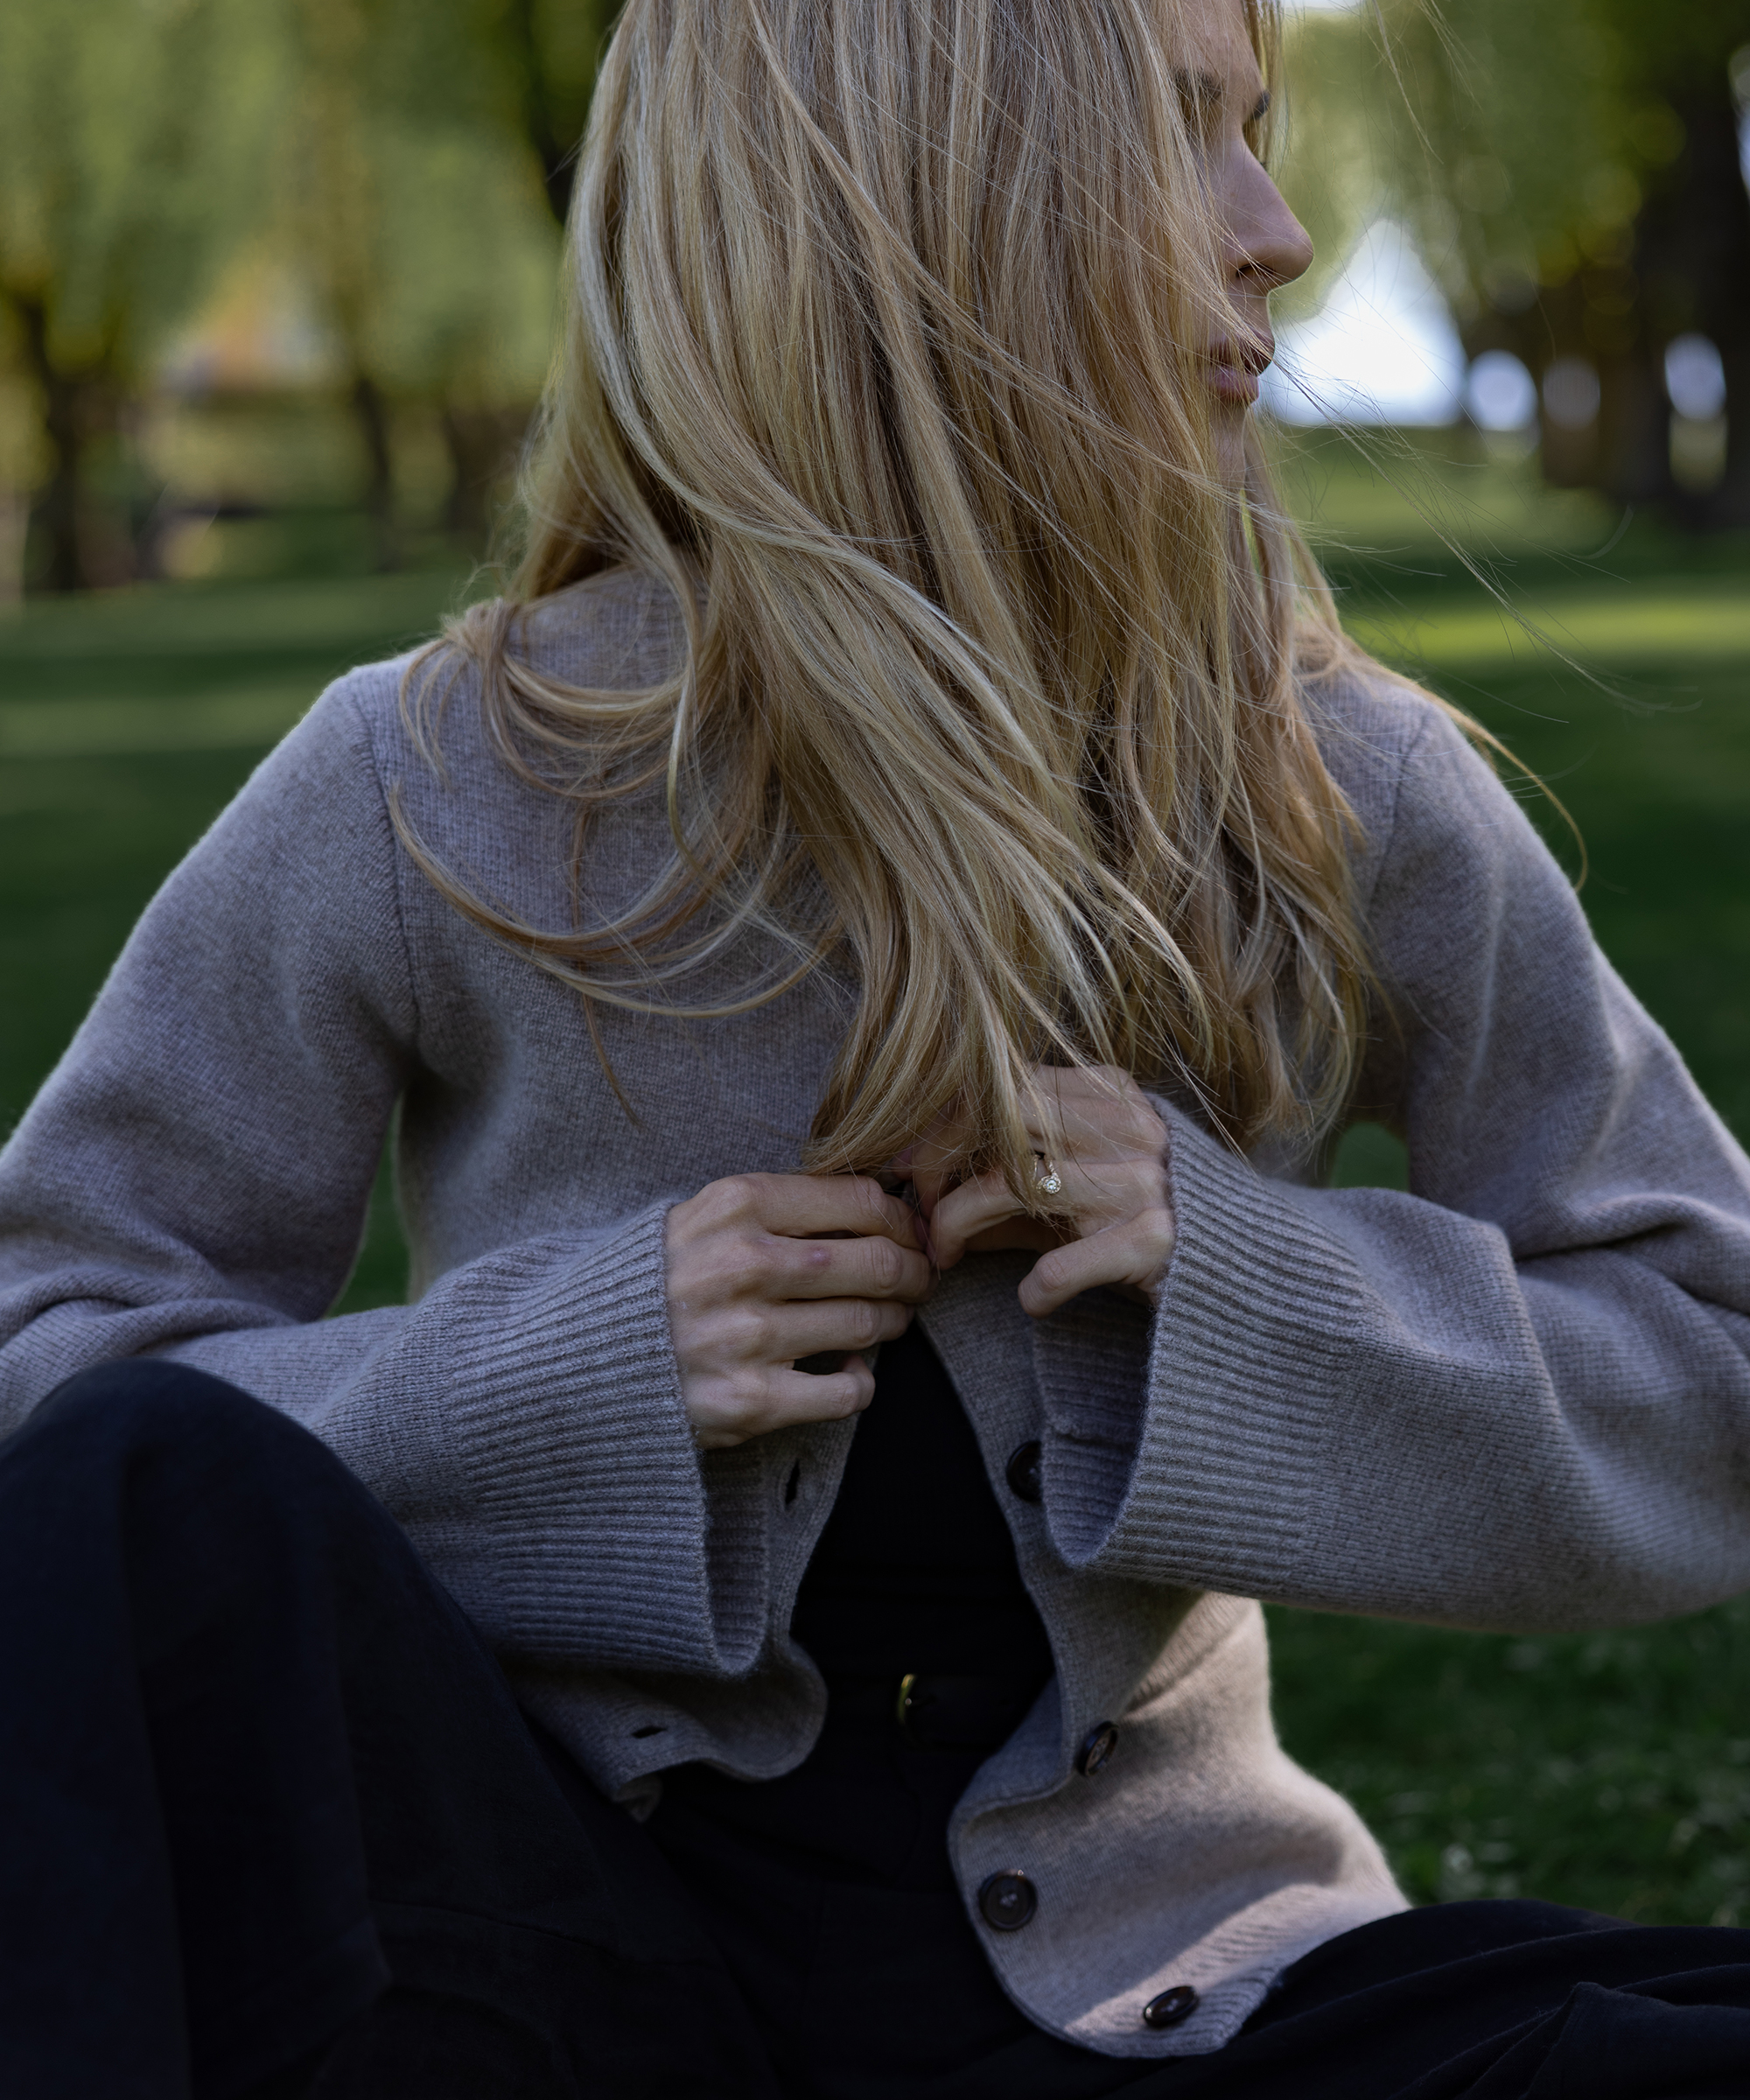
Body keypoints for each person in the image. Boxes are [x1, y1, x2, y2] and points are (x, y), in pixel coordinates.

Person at [4, 0, 1750, 2094]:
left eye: (1263, 132)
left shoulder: (1330, 777)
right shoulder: (429, 777)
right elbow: (52, 1384)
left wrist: (1235, 1277)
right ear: (914, 215)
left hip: (1175, 1994)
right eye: (1188, 134)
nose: (1275, 229)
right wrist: (568, 1381)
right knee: (134, 1480)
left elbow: (1709, 1365)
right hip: (541, 1983)